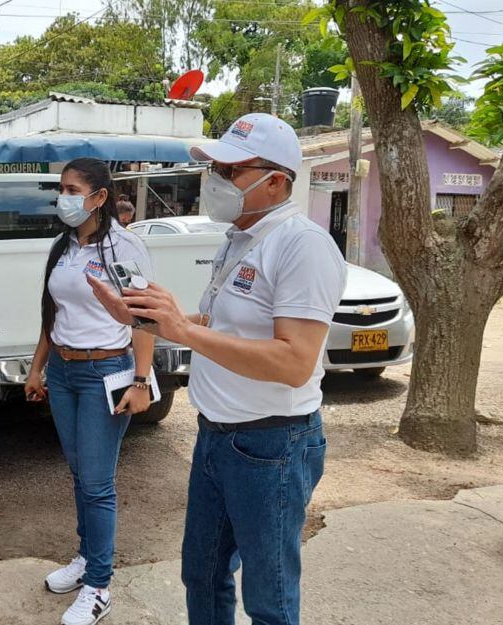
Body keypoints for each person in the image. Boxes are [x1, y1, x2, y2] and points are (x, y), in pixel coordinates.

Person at [88, 113, 347, 625]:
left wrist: (184, 332)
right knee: (202, 575)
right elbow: (223, 324)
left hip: (271, 445)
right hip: (217, 435)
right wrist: (157, 317)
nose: (215, 181)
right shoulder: (240, 237)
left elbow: (295, 362)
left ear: (275, 182)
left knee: (269, 598)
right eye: (214, 169)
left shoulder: (303, 245)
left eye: (230, 171)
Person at [24, 158, 156, 625]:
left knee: (98, 483)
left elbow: (144, 319)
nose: (64, 197)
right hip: (63, 372)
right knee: (81, 475)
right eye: (61, 188)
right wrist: (37, 369)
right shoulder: (62, 246)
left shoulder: (125, 247)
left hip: (107, 372)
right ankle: (85, 559)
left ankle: (99, 584)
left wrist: (141, 381)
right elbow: (51, 314)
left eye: (72, 188)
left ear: (99, 197)